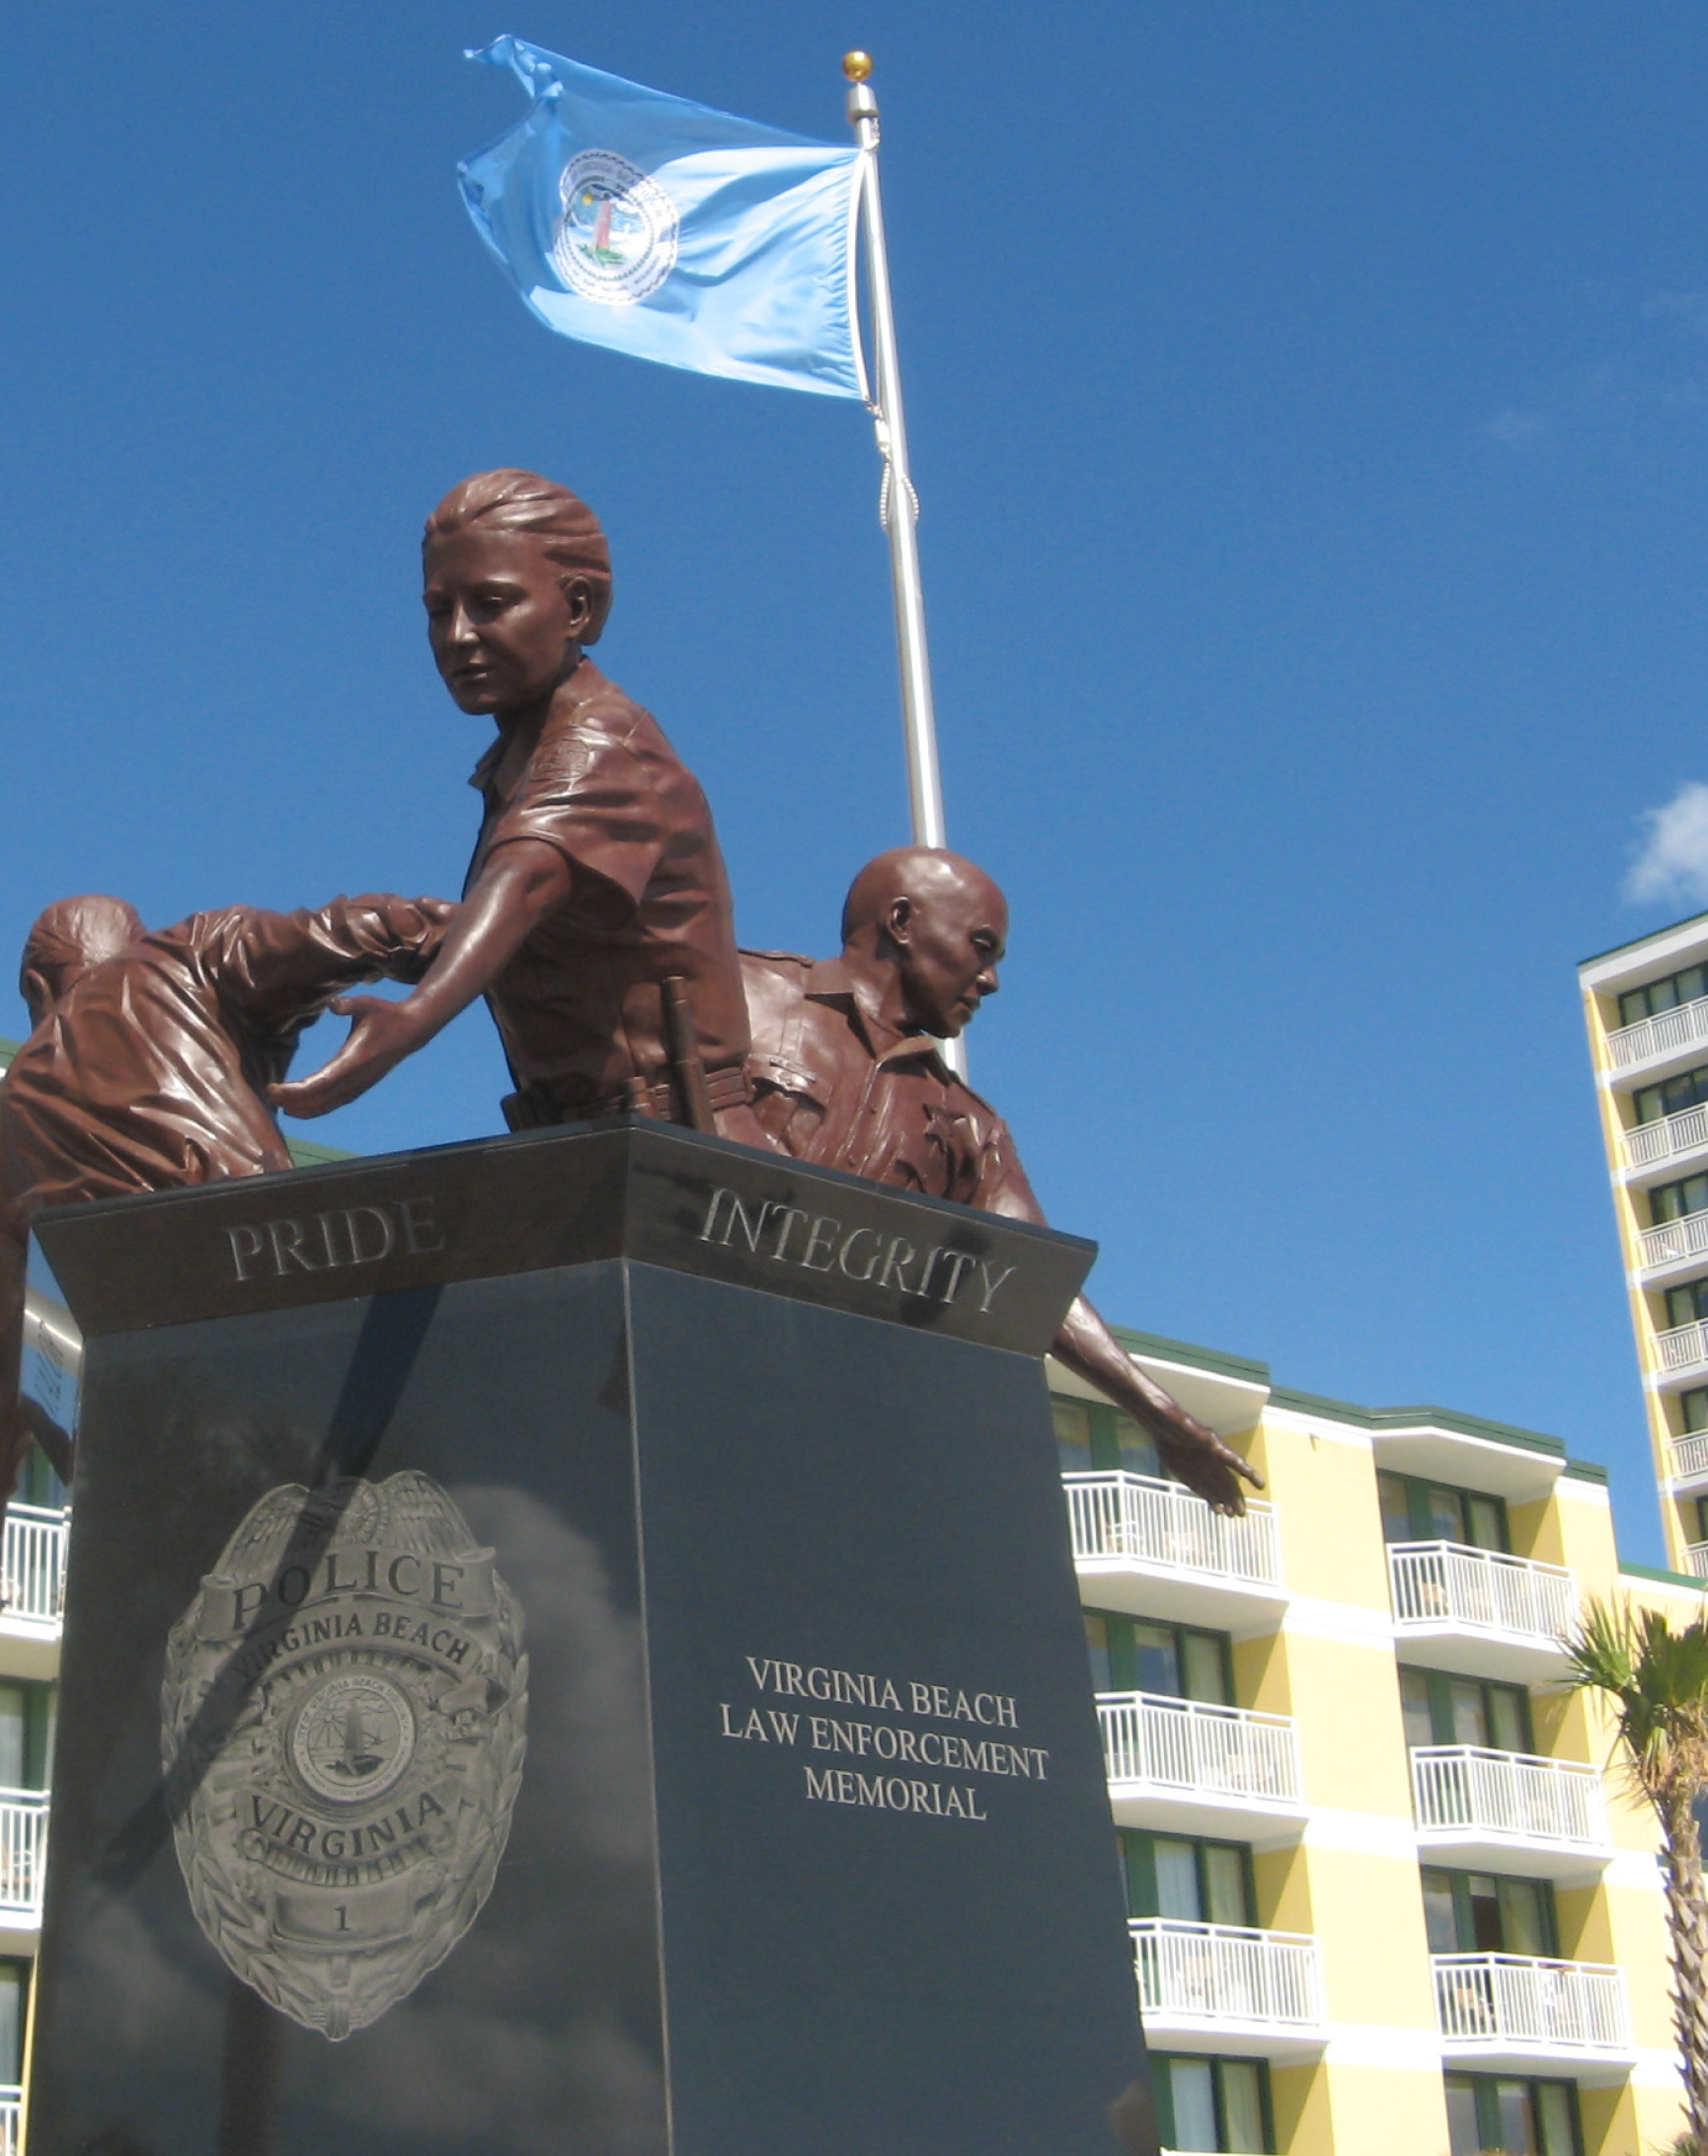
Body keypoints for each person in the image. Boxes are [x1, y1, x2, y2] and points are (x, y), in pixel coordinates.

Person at [0, 890, 453, 1609]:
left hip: (136, 1444)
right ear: (135, 942)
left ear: (36, 989)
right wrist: (472, 934)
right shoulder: (188, 957)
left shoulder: (7, 1127)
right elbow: (345, 930)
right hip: (277, 1337)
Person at [738, 846, 1262, 1513]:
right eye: (980, 948)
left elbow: (1031, 1278)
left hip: (834, 1412)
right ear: (901, 921)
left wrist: (1162, 1417)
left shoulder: (969, 1123)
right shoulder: (736, 992)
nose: (990, 981)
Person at [270, 471, 769, 1143]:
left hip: (677, 1153)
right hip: (591, 1145)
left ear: (577, 609)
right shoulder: (521, 761)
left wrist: (413, 1020)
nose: (456, 636)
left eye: (490, 603)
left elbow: (523, 882)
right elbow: (514, 925)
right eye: (437, 609)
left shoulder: (599, 745)